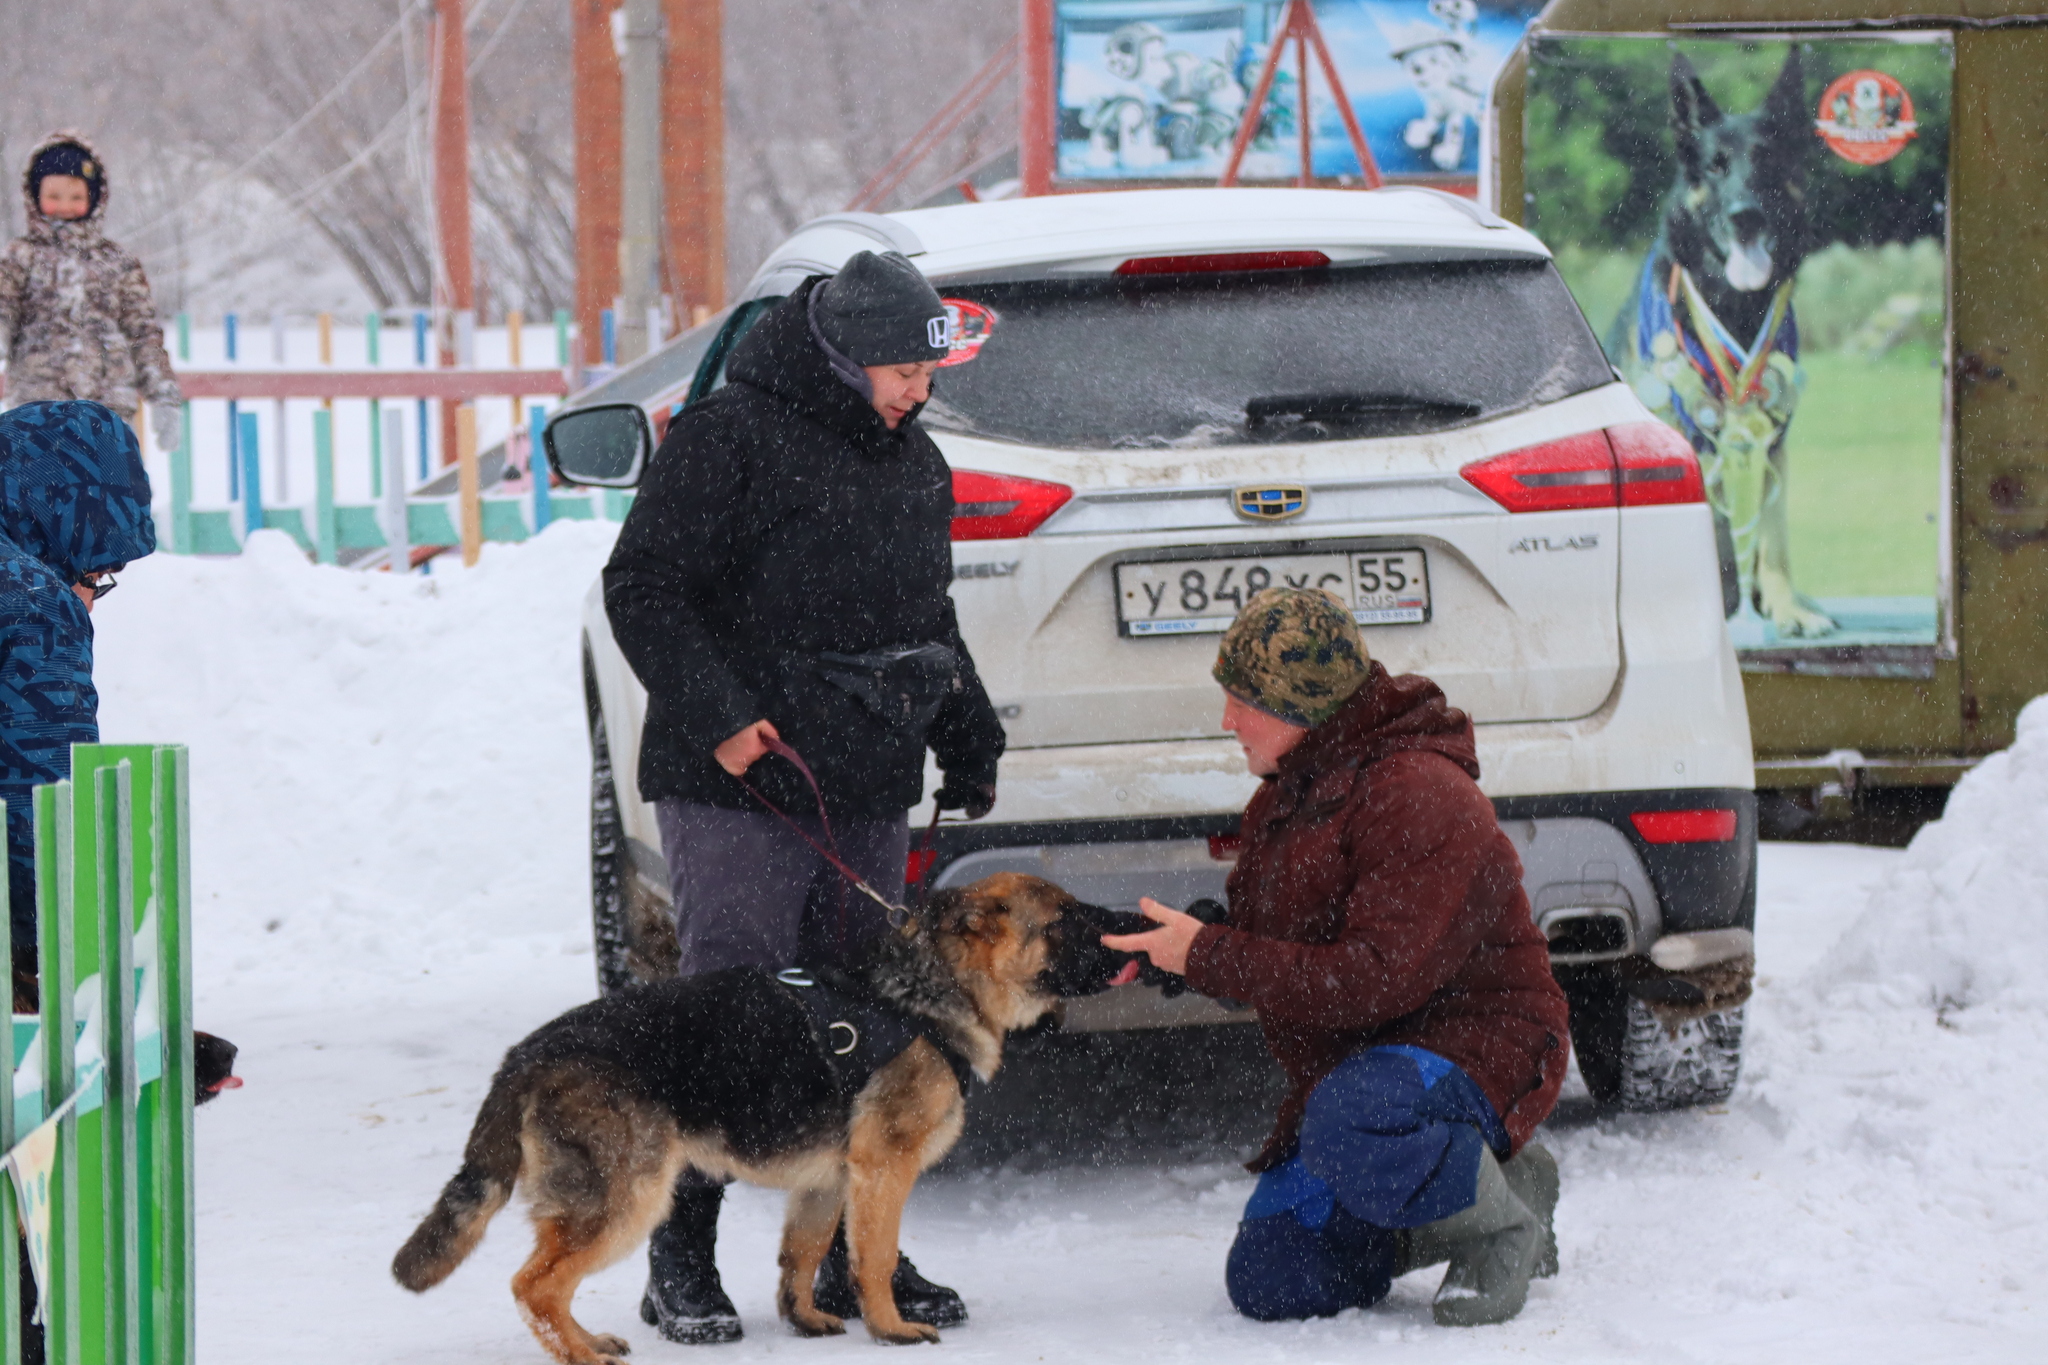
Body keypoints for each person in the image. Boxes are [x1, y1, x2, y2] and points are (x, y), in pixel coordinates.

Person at [603, 250, 1006, 1343]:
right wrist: (722, 717)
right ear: (836, 357)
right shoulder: (728, 438)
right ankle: (677, 1257)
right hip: (742, 783)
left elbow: (931, 615)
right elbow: (639, 586)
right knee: (736, 1019)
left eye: (925, 372)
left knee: (866, 1029)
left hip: (867, 773)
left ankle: (839, 1262)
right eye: (897, 371)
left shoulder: (913, 460)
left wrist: (967, 730)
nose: (918, 389)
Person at [1102, 586, 1572, 1326]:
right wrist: (1182, 950)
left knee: (1354, 1116)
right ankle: (1498, 1184)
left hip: (1476, 1044)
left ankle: (1498, 1224)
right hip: (1363, 1067)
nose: (1227, 720)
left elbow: (1372, 979)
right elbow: (1281, 951)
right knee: (1274, 1278)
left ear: (1301, 704)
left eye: (1242, 700)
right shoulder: (1291, 793)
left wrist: (1213, 955)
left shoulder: (1419, 791)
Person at [0, 132, 183, 452]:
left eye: (75, 196)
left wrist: (163, 394)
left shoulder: (117, 263)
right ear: (34, 196)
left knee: (107, 498)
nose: (65, 207)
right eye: (54, 196)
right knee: (40, 498)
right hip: (37, 413)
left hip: (108, 413)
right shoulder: (20, 258)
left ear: (95, 198)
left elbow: (143, 334)